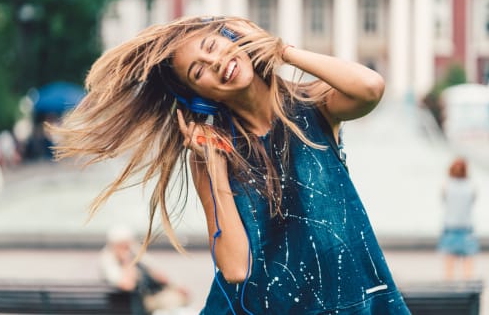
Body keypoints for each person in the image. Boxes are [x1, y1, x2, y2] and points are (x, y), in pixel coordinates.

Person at [51, 16, 410, 314]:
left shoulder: (313, 105)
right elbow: (236, 268)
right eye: (198, 72)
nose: (215, 63)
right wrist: (216, 169)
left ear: (233, 37)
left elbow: (370, 87)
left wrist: (281, 50)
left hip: (351, 299)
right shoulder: (212, 154)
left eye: (211, 47)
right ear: (200, 96)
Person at [99, 225, 190, 314]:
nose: (127, 248)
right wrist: (126, 261)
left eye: (128, 244)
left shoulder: (134, 252)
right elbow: (128, 285)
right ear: (115, 245)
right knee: (173, 301)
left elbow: (157, 273)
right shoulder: (108, 260)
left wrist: (174, 286)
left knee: (180, 297)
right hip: (136, 303)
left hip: (150, 295)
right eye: (123, 246)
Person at [438, 158, 479, 280]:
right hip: (466, 228)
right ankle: (468, 293)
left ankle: (450, 293)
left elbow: (444, 200)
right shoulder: (471, 186)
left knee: (449, 267)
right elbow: (473, 201)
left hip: (450, 227)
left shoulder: (446, 186)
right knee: (468, 266)